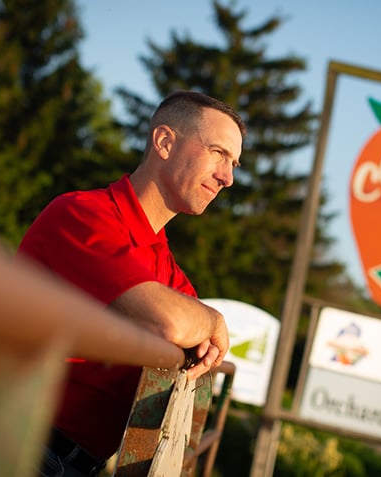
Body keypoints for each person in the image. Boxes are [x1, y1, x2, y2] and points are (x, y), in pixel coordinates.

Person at [19, 90, 246, 476]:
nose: (227, 177)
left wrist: (203, 323)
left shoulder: (166, 266)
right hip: (12, 446)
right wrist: (213, 320)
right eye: (218, 153)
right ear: (164, 142)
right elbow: (171, 323)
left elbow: (192, 334)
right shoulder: (82, 215)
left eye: (234, 163)